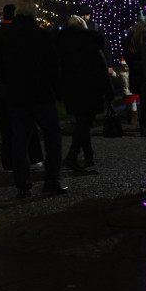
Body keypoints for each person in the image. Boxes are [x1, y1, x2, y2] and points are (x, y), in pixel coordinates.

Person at [0, 0, 66, 197]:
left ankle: (23, 184)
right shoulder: (42, 36)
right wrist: (54, 89)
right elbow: (54, 66)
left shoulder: (6, 37)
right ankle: (51, 179)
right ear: (34, 14)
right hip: (42, 93)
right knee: (52, 137)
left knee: (20, 140)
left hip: (16, 94)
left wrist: (10, 81)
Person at [57, 16, 112, 173]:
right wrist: (109, 93)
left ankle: (88, 156)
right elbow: (101, 71)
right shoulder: (92, 45)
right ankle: (72, 156)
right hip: (90, 90)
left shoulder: (63, 46)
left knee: (82, 123)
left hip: (71, 90)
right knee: (84, 124)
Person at [124, 20, 146, 137]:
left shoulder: (131, 35)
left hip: (135, 70)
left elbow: (126, 52)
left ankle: (145, 124)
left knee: (142, 99)